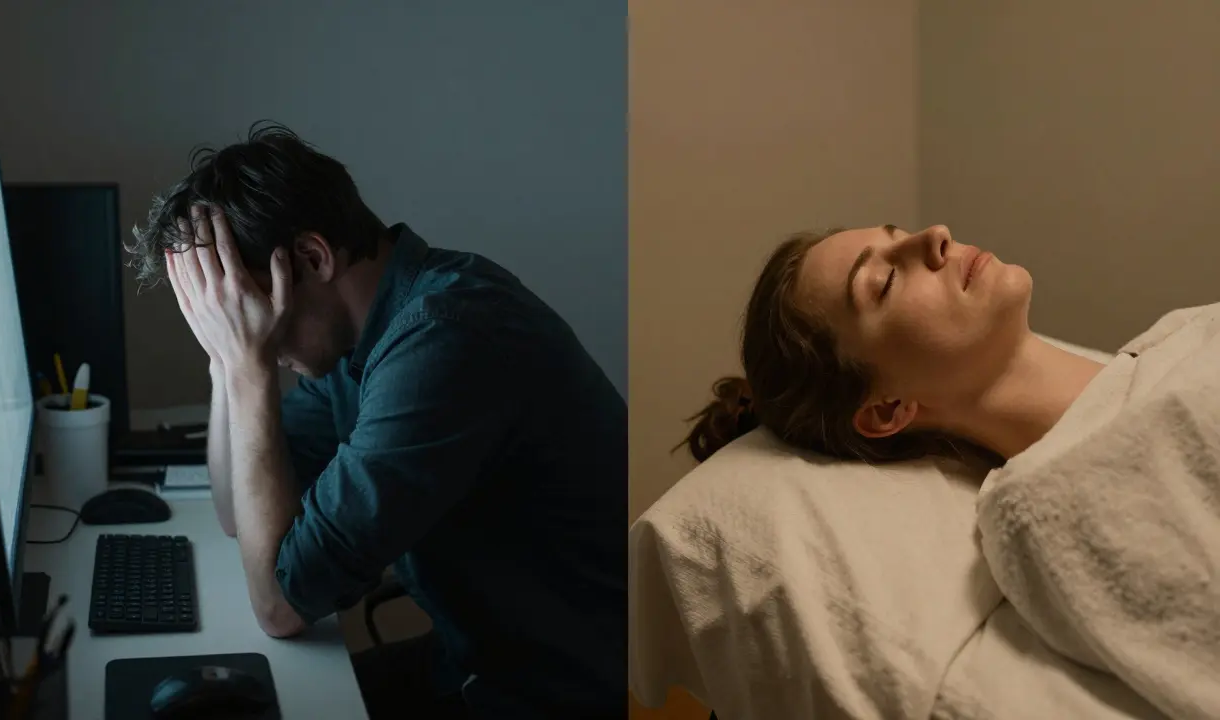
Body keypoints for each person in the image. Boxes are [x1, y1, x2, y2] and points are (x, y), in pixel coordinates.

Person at [126, 123, 627, 720]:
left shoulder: (446, 338)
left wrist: (247, 368)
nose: (241, 327)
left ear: (312, 258)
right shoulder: (359, 339)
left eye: (243, 305)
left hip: (552, 693)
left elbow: (280, 604)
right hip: (470, 663)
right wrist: (224, 361)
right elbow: (240, 512)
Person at [683, 223, 1105, 465]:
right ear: (887, 409)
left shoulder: (1167, 345)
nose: (936, 234)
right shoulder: (1057, 513)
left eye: (898, 233)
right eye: (884, 283)